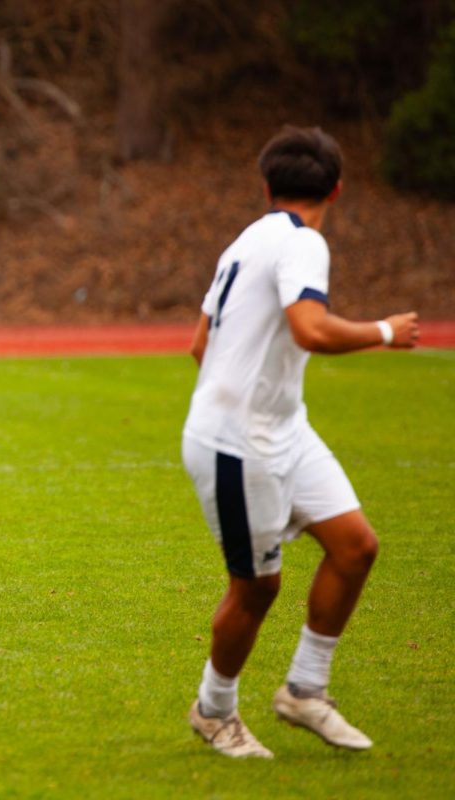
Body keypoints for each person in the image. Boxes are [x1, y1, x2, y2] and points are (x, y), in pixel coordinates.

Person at [181, 126, 420, 758]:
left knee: (355, 546)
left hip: (284, 427)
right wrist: (386, 331)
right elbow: (310, 329)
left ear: (266, 186)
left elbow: (200, 344)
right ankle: (213, 710)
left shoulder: (246, 240)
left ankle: (305, 691)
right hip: (238, 443)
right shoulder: (304, 242)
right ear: (337, 189)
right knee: (257, 589)